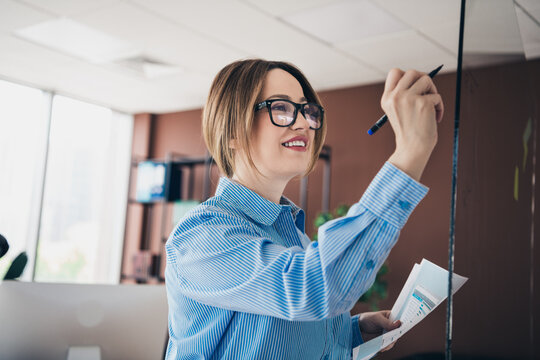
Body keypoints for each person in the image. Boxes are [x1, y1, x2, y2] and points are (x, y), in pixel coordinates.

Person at [164, 59, 444, 359]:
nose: (302, 123)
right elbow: (308, 289)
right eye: (281, 108)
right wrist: (410, 152)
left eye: (306, 110)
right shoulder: (201, 236)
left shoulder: (297, 241)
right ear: (232, 130)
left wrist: (349, 331)